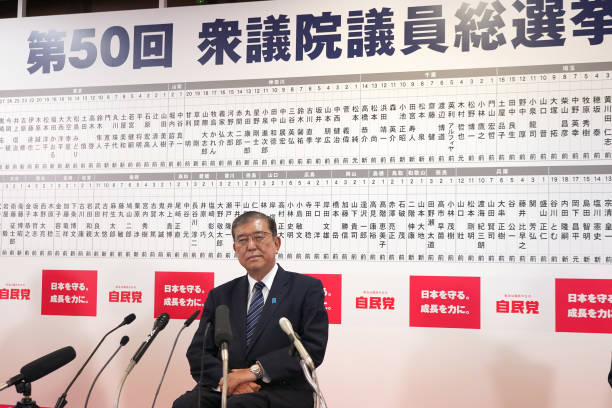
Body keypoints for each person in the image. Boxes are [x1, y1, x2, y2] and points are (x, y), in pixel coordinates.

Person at [172, 211, 329, 408]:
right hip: (227, 386)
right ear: (235, 248)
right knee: (185, 404)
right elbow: (198, 353)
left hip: (281, 390)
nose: (251, 246)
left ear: (276, 243)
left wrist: (255, 372)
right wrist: (229, 381)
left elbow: (312, 348)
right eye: (242, 240)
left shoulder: (305, 288)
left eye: (259, 237)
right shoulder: (220, 295)